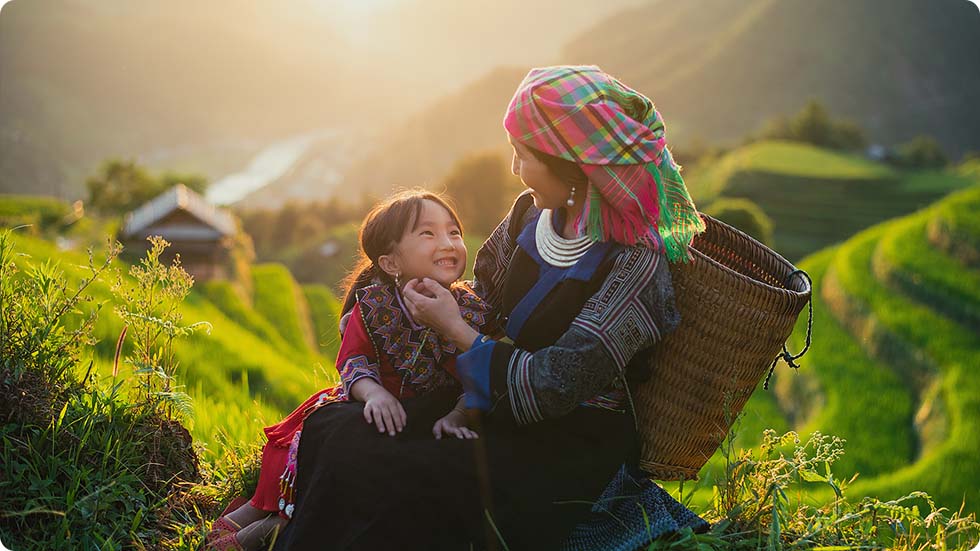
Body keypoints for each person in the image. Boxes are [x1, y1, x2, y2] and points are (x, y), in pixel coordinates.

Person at [275, 65, 710, 550]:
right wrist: (402, 317)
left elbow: (556, 383)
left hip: (566, 437)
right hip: (489, 399)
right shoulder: (528, 215)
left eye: (523, 155)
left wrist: (456, 331)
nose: (515, 169)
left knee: (406, 474)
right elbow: (482, 300)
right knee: (335, 430)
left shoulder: (634, 262)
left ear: (570, 166)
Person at [207, 190, 490, 551]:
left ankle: (269, 529)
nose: (448, 243)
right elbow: (354, 361)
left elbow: (476, 372)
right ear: (391, 263)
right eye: (428, 233)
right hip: (364, 409)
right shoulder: (374, 307)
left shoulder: (470, 310)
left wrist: (458, 414)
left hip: (422, 419)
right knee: (287, 492)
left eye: (454, 232)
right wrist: (374, 393)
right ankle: (235, 533)